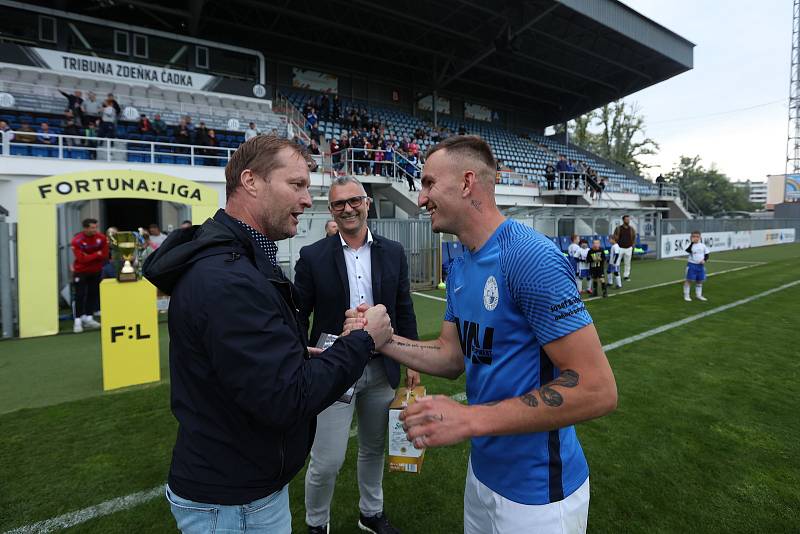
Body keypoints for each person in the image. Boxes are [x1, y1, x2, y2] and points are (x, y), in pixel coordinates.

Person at [347, 135, 616, 533]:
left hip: (539, 493)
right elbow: (452, 357)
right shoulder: (460, 266)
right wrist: (382, 340)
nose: (421, 199)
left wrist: (469, 419)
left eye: (428, 184)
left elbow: (597, 389)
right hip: (482, 476)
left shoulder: (530, 257)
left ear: (467, 182)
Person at [142, 135, 394, 534]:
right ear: (251, 181)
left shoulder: (241, 260)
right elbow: (286, 398)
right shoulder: (229, 277)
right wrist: (364, 341)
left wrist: (297, 353)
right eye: (296, 185)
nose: (307, 200)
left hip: (242, 488)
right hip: (234, 503)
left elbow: (251, 369)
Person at [294, 177, 419, 534]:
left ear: (367, 203)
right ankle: (317, 523)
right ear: (331, 210)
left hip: (382, 368)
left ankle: (371, 513)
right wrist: (299, 357)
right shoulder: (313, 256)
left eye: (354, 201)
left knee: (374, 448)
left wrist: (411, 359)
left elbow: (403, 309)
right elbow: (299, 314)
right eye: (338, 205)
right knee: (327, 460)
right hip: (333, 371)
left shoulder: (393, 251)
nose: (347, 209)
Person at [71, 218, 108, 333]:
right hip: (81, 271)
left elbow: (105, 255)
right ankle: (77, 321)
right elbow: (81, 259)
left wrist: (90, 255)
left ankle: (89, 317)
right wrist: (97, 254)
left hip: (96, 271)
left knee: (93, 293)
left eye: (96, 227)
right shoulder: (77, 240)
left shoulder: (101, 238)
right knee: (80, 295)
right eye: (92, 228)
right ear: (85, 228)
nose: (95, 230)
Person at [683, 231, 709, 302]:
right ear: (691, 237)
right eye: (694, 236)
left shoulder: (703, 245)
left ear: (700, 237)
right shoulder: (689, 245)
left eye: (697, 236)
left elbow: (707, 254)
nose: (696, 238)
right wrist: (692, 242)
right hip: (692, 265)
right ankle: (686, 295)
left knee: (699, 281)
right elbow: (687, 250)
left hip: (700, 266)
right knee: (689, 280)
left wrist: (704, 260)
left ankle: (698, 295)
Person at [612, 215, 636, 281]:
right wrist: (616, 245)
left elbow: (634, 237)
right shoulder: (618, 228)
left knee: (627, 263)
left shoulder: (631, 229)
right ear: (623, 220)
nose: (628, 221)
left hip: (629, 248)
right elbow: (614, 237)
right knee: (617, 262)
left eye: (628, 219)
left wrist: (633, 245)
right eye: (626, 219)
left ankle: (626, 276)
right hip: (620, 248)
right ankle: (617, 275)